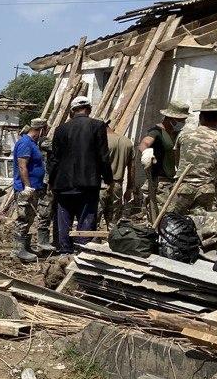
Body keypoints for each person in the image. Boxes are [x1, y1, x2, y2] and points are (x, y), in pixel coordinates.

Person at [48, 95, 111, 254]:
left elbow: (54, 159)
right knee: (86, 217)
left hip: (63, 184)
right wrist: (108, 178)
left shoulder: (60, 129)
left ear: (72, 111)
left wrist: (51, 180)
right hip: (88, 183)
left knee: (64, 218)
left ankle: (65, 251)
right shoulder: (97, 126)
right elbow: (103, 156)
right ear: (89, 109)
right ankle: (82, 250)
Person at [167, 98, 217, 216]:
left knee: (174, 221)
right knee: (201, 222)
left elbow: (178, 161)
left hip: (183, 187)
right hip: (206, 190)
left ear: (201, 117)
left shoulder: (184, 135)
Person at [138, 103, 187, 221]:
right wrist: (146, 153)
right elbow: (144, 143)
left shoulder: (175, 134)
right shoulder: (157, 132)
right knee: (161, 216)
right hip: (159, 181)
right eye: (181, 120)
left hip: (170, 179)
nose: (183, 122)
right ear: (171, 119)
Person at [11, 118, 48, 263]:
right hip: (26, 189)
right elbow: (22, 166)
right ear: (41, 129)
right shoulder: (25, 143)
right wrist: (27, 186)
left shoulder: (32, 143)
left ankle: (24, 247)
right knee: (23, 219)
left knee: (28, 219)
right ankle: (18, 250)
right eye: (45, 130)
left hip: (34, 188)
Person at [104, 125, 137, 224]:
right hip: (117, 185)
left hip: (101, 184)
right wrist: (129, 188)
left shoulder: (101, 141)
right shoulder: (127, 142)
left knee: (95, 219)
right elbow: (132, 168)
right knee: (113, 221)